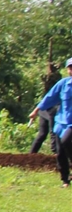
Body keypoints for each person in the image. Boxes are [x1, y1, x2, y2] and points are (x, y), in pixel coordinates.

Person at [29, 57, 72, 188]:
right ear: (67, 69)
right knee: (60, 152)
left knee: (66, 141)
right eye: (70, 68)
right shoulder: (64, 84)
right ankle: (65, 180)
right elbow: (49, 97)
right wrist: (36, 111)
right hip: (61, 122)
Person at [30, 61, 61, 155]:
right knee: (46, 133)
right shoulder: (60, 82)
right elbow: (53, 132)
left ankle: (32, 154)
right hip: (48, 110)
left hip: (47, 109)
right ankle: (31, 155)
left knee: (44, 133)